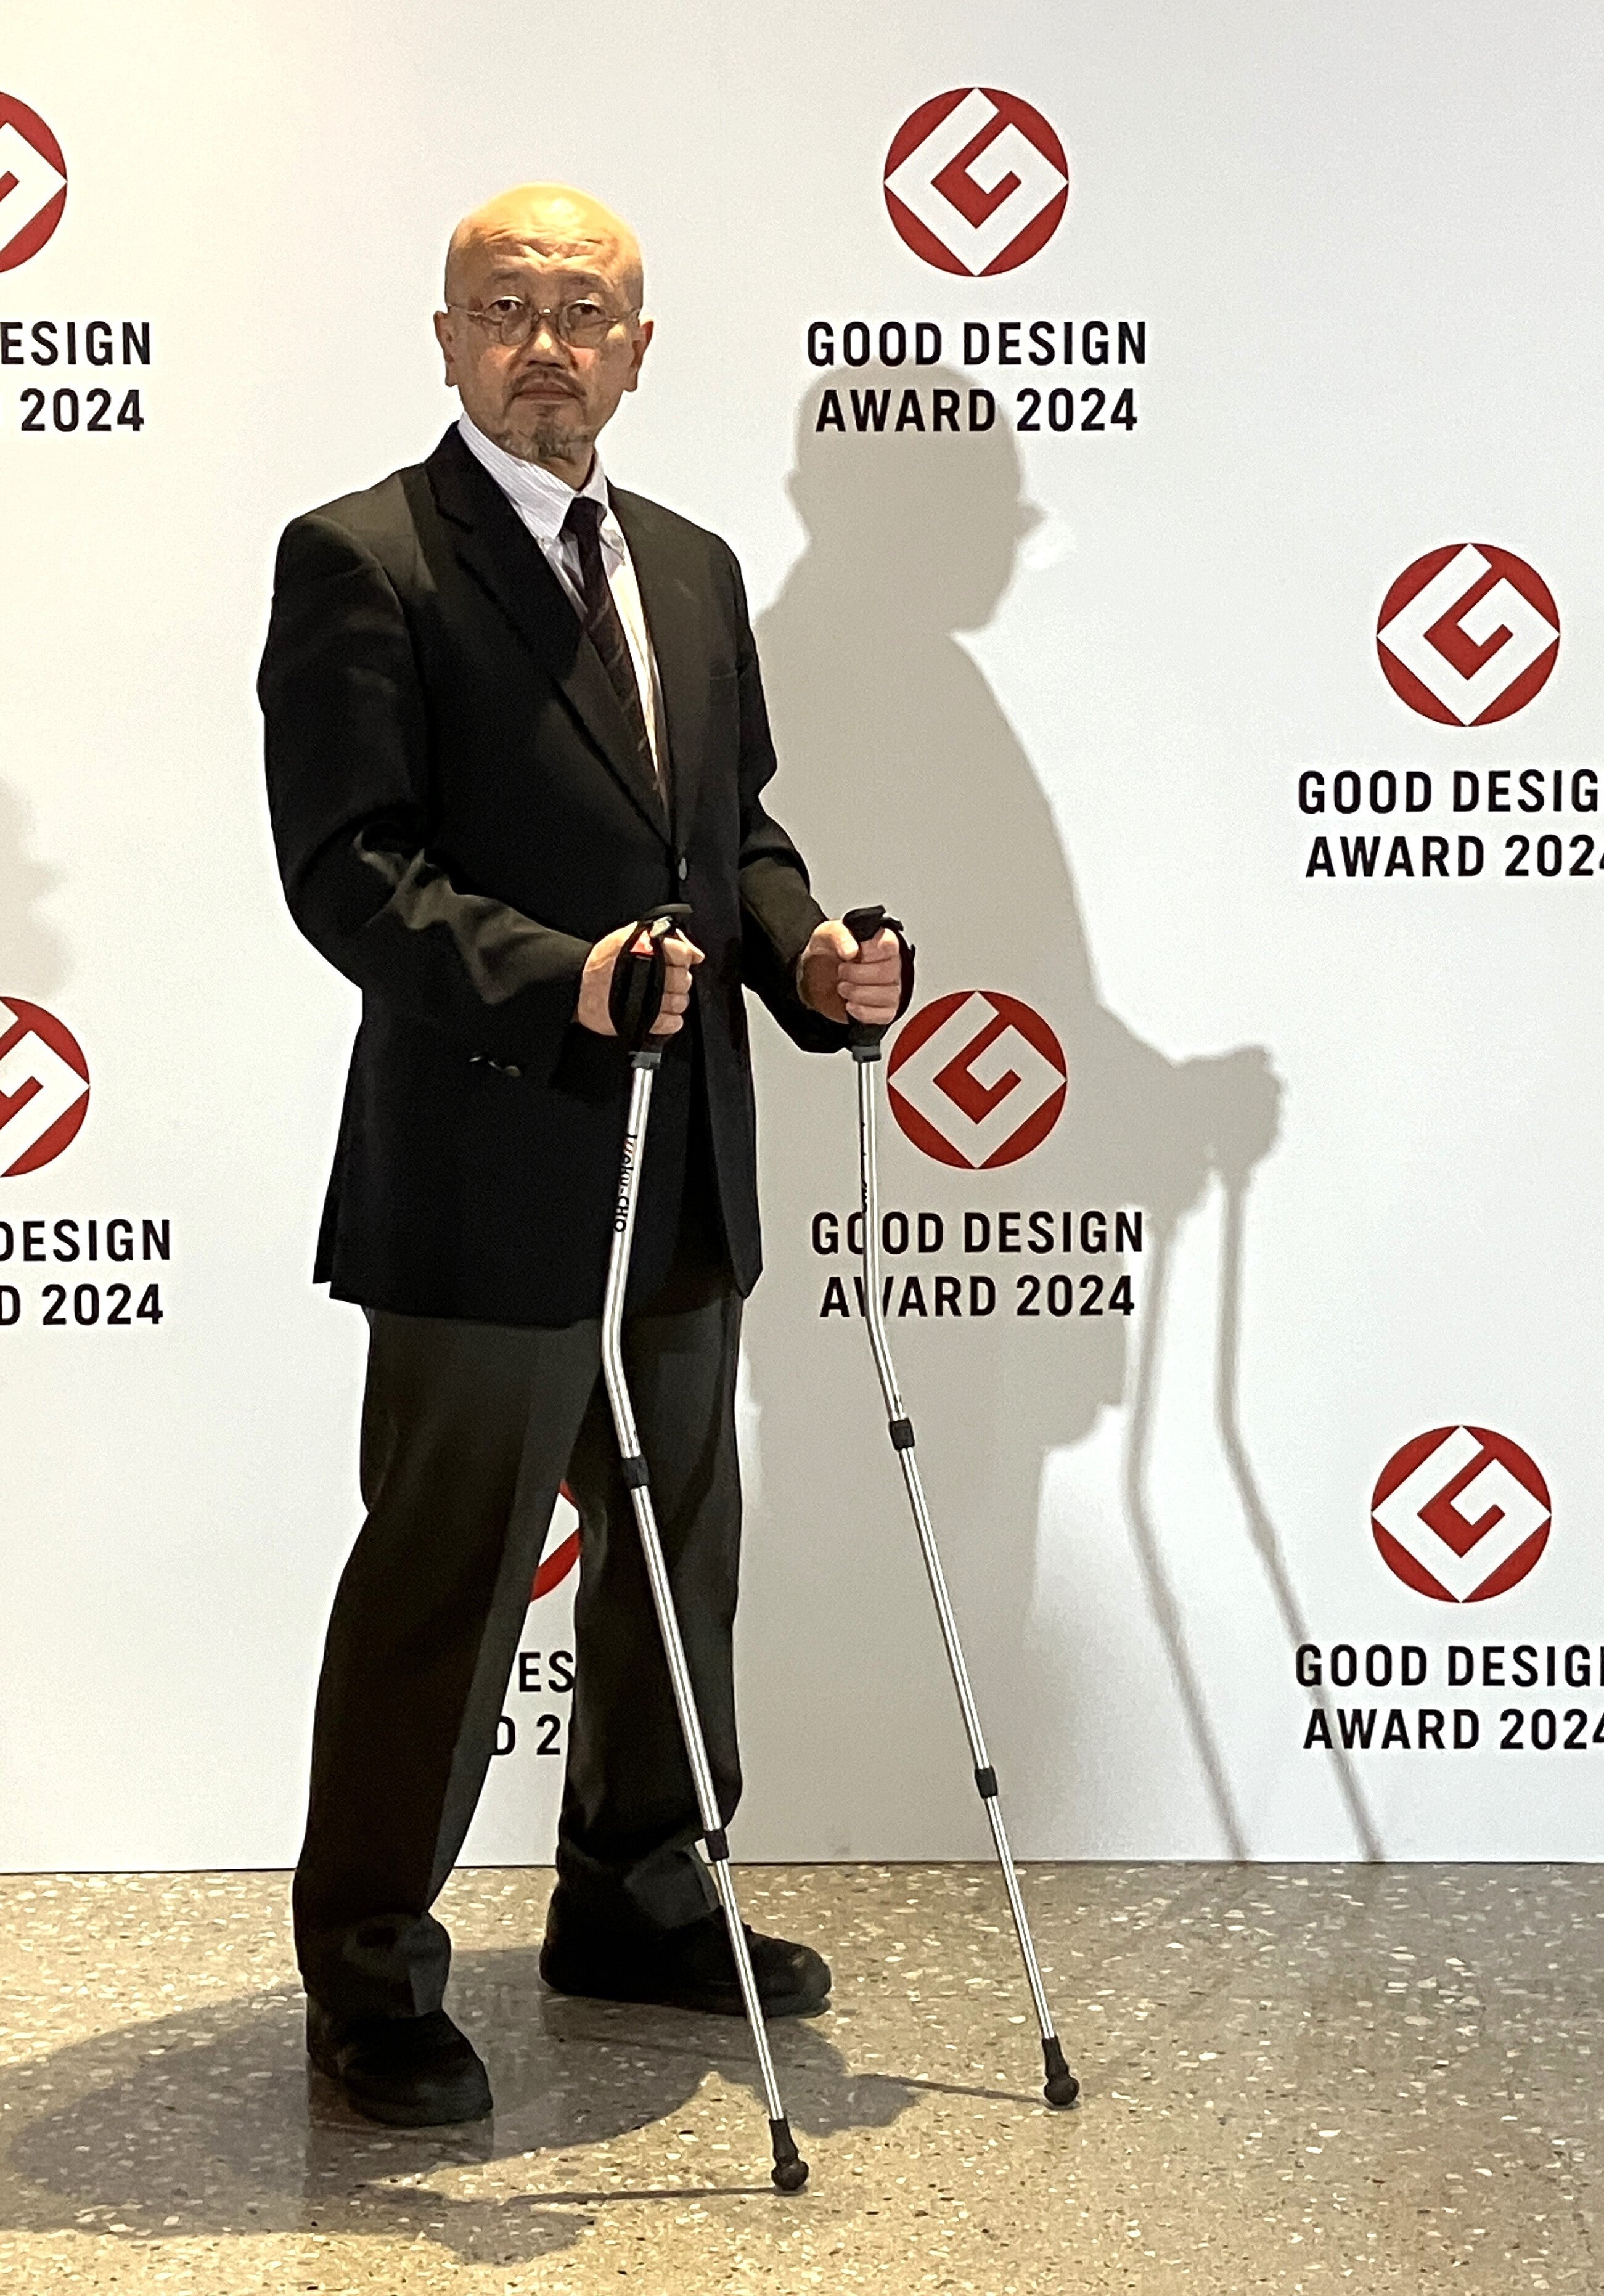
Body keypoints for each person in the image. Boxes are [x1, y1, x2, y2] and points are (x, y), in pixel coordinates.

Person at [258, 182, 904, 2128]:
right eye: (505, 308)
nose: (546, 344)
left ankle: (639, 1896)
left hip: (681, 1155)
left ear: (638, 346)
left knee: (672, 1555)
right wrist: (568, 983)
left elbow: (732, 835)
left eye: (584, 311)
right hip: (487, 1163)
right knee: (448, 1579)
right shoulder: (365, 557)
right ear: (446, 339)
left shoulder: (690, 567)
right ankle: (370, 1973)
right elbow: (350, 871)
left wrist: (807, 957)